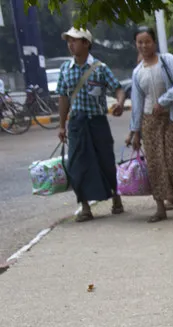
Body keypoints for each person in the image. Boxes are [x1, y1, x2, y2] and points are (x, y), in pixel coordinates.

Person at [55, 27, 127, 223]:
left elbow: (118, 89)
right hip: (77, 123)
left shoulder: (100, 68)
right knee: (77, 165)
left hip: (97, 122)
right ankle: (85, 206)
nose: (71, 44)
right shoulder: (65, 70)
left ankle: (116, 198)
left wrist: (119, 103)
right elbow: (63, 99)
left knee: (105, 162)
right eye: (68, 41)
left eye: (75, 40)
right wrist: (62, 125)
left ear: (86, 43)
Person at [127, 26, 173, 223]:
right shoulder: (137, 72)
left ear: (154, 42)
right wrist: (134, 132)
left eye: (147, 41)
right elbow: (137, 103)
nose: (144, 45)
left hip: (171, 117)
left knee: (171, 161)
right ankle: (160, 207)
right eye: (140, 42)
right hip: (149, 121)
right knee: (155, 165)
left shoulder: (168, 61)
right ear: (136, 45)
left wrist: (163, 101)